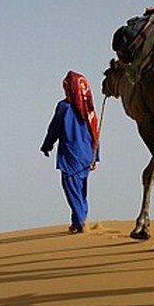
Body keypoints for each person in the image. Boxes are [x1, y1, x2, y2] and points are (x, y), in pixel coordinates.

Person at [41, 71, 100, 233]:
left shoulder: (64, 107)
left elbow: (54, 129)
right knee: (80, 190)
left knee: (72, 189)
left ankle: (81, 223)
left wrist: (47, 146)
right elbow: (95, 134)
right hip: (87, 156)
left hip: (71, 156)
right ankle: (78, 221)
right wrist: (96, 157)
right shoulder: (90, 111)